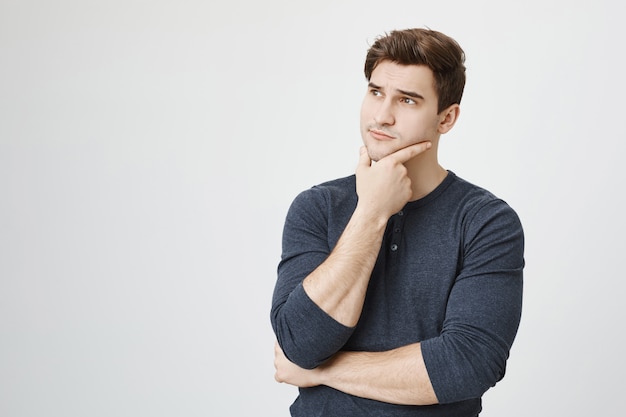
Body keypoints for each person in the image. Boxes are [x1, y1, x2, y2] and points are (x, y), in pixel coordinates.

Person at [270, 27, 524, 417]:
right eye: (375, 92)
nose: (382, 115)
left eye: (407, 100)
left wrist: (323, 371)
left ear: (447, 118)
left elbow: (468, 364)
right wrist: (371, 211)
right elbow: (299, 344)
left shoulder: (487, 222)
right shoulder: (316, 207)